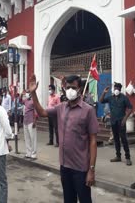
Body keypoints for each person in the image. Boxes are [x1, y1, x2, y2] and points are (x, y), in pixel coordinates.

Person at [29, 74, 98, 203]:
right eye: (68, 87)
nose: (70, 90)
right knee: (68, 199)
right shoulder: (61, 108)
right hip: (65, 166)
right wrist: (33, 94)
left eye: (73, 87)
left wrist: (91, 170)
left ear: (79, 89)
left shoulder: (88, 110)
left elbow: (93, 141)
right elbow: (42, 113)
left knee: (85, 200)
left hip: (81, 168)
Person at [99, 82, 133, 165]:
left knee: (124, 139)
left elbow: (130, 108)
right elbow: (101, 101)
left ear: (120, 90)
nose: (116, 90)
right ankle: (118, 156)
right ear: (113, 89)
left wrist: (125, 119)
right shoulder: (110, 98)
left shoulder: (124, 98)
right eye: (115, 88)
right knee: (116, 139)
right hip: (113, 121)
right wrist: (104, 92)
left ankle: (128, 158)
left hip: (121, 122)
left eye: (118, 89)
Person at [22, 90, 37, 159]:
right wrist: (22, 94)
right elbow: (19, 100)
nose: (27, 94)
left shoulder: (34, 101)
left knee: (33, 138)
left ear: (30, 94)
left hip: (31, 121)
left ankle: (34, 153)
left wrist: (34, 121)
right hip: (25, 121)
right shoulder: (25, 101)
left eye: (28, 92)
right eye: (26, 92)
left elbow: (36, 111)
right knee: (27, 138)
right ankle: (28, 153)